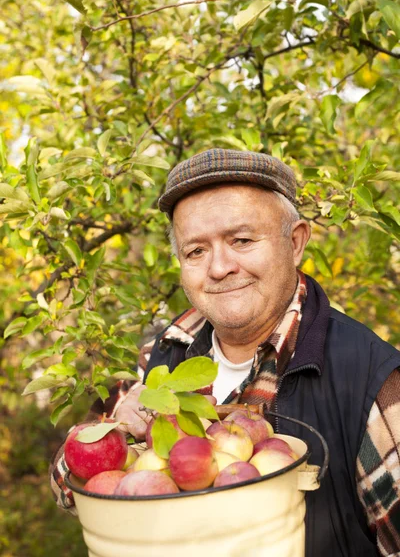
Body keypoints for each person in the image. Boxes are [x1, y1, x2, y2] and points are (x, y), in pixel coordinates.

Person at [50, 148, 400, 557]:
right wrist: (118, 431)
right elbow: (67, 488)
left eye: (242, 240)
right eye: (195, 251)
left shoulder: (373, 383)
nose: (219, 267)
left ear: (296, 242)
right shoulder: (160, 357)